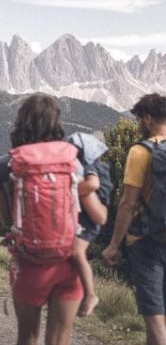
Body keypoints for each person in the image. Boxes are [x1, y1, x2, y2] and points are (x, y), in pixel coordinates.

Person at [0, 94, 84, 345]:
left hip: (30, 262)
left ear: (20, 122)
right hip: (68, 262)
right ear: (56, 123)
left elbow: (8, 220)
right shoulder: (73, 163)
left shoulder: (2, 166)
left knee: (28, 337)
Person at [103, 93, 166, 345]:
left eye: (139, 118)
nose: (138, 123)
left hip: (145, 242)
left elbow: (128, 203)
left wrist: (114, 245)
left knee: (154, 315)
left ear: (148, 119)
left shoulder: (141, 152)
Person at [67, 133, 110, 317]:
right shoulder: (94, 165)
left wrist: (67, 191)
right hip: (87, 217)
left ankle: (90, 295)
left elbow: (92, 185)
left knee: (77, 252)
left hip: (89, 220)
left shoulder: (90, 167)